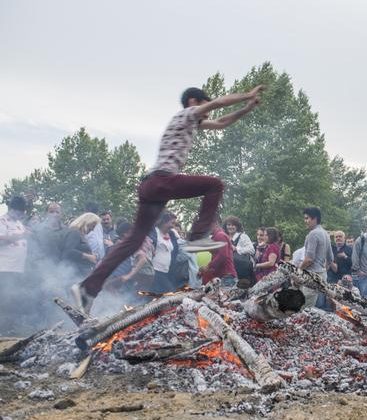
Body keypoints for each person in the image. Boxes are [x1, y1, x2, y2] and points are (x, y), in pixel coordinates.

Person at [71, 84, 265, 314]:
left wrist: (247, 108)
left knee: (133, 240)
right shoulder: (186, 113)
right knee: (215, 185)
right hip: (163, 180)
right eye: (206, 107)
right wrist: (247, 95)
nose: (208, 114)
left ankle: (87, 288)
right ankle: (197, 237)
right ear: (194, 102)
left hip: (151, 187)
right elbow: (220, 103)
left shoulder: (194, 122)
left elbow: (222, 121)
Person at [299, 207, 333, 308]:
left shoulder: (313, 234)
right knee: (315, 308)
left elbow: (309, 259)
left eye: (307, 218)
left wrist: (298, 270)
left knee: (304, 309)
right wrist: (323, 269)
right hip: (322, 275)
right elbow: (330, 257)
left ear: (315, 218)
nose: (305, 221)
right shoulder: (325, 233)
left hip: (311, 276)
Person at [199, 219, 237, 286]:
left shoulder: (220, 235)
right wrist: (204, 272)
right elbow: (217, 258)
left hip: (226, 276)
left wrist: (208, 267)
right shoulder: (216, 236)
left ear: (215, 223)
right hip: (223, 276)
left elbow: (222, 255)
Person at [223, 216, 255, 283]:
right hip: (227, 271)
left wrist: (236, 249)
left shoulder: (243, 236)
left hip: (241, 271)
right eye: (228, 225)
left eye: (233, 225)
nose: (230, 227)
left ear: (237, 226)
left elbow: (252, 250)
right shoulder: (224, 237)